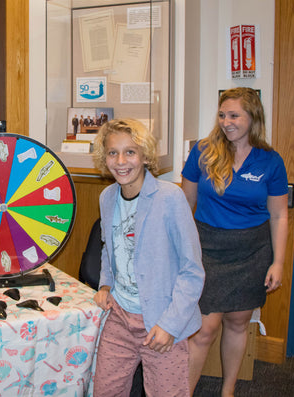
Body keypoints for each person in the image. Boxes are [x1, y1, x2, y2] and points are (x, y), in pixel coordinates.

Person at [182, 87, 288, 396]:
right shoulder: (202, 151)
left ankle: (227, 390)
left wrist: (278, 262)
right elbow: (184, 205)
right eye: (222, 115)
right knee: (204, 329)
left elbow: (280, 216)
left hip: (252, 249)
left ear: (253, 117)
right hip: (208, 247)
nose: (226, 122)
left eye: (234, 115)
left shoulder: (270, 161)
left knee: (239, 322)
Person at [92, 119, 205, 396]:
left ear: (144, 156)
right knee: (105, 390)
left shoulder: (170, 198)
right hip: (120, 316)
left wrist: (170, 325)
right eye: (112, 152)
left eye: (130, 152)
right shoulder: (107, 197)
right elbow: (109, 246)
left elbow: (192, 270)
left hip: (161, 320)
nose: (121, 161)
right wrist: (106, 283)